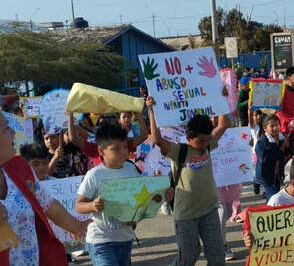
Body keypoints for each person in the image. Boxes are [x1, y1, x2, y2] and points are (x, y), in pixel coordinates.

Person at [147, 96, 229, 266]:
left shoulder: (207, 145)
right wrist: (151, 111)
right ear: (189, 137)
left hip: (210, 211)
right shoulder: (179, 151)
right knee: (188, 257)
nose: (204, 144)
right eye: (200, 141)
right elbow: (157, 140)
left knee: (217, 256)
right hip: (186, 216)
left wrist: (221, 99)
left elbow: (223, 124)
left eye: (207, 140)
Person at [0, 112, 90, 266]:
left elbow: (48, 205)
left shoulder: (19, 167)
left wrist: (79, 226)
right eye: (6, 129)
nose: (13, 133)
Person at [76, 123, 158, 266]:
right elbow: (79, 205)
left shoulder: (132, 169)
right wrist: (92, 205)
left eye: (125, 147)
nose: (123, 152)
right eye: (116, 149)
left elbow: (142, 200)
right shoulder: (95, 175)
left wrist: (158, 190)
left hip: (125, 239)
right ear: (101, 151)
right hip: (100, 240)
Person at [254, 114, 286, 202]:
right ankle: (256, 181)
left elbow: (285, 155)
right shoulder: (261, 142)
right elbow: (265, 159)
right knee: (273, 197)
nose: (275, 128)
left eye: (277, 125)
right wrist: (280, 151)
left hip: (277, 175)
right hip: (266, 176)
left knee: (274, 195)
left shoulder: (282, 139)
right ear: (265, 128)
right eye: (272, 126)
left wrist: (288, 148)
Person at [276, 66, 294, 156]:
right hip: (285, 130)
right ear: (289, 77)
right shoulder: (282, 92)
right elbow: (279, 112)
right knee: (286, 156)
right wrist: (290, 122)